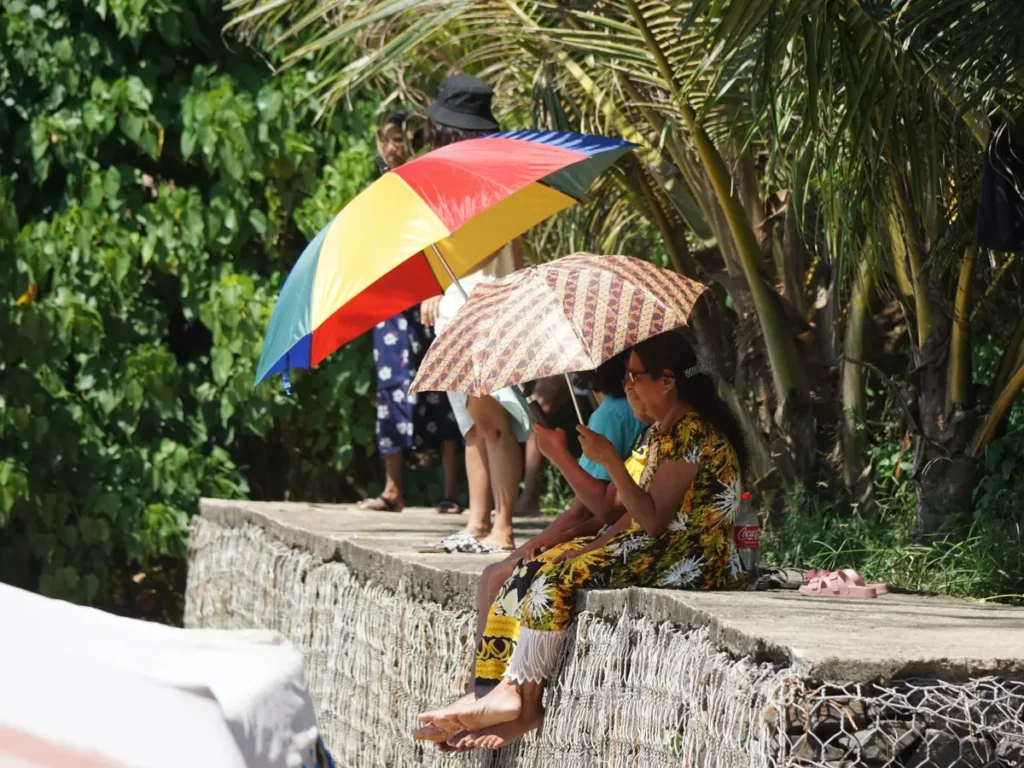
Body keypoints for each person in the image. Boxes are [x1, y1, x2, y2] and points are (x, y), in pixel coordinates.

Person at [417, 331, 749, 751]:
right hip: (655, 547)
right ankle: (497, 688)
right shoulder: (661, 433)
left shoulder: (691, 433)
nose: (627, 386)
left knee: (554, 578)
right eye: (627, 378)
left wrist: (610, 458)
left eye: (635, 377)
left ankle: (525, 705)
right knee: (532, 568)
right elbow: (611, 508)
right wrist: (561, 455)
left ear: (667, 380)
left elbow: (650, 521)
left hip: (691, 558)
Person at [418, 74, 530, 552]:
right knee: (472, 427)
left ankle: (501, 525)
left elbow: (495, 245)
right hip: (460, 306)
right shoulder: (451, 180)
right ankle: (476, 521)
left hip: (484, 307)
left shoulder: (494, 181)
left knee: (493, 419)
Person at [359, 111, 462, 514]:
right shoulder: (376, 193)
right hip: (390, 304)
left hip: (430, 297)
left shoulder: (429, 185)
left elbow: (445, 242)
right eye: (385, 139)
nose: (391, 147)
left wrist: (438, 289)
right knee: (390, 390)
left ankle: (452, 490)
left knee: (443, 388)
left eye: (398, 139)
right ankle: (392, 489)